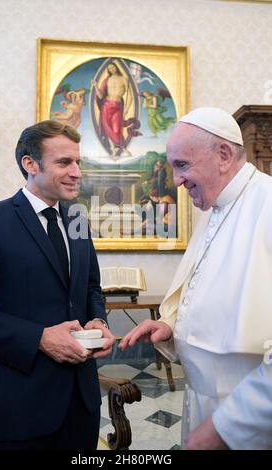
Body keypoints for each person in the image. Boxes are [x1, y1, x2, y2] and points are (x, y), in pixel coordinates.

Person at [120, 107, 272, 450]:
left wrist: (224, 427)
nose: (174, 181)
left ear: (222, 155)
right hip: (202, 402)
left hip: (249, 418)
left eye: (182, 165)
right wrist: (171, 326)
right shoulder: (214, 207)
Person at [0, 120, 115, 450]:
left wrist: (99, 321)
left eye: (78, 162)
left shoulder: (78, 218)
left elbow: (91, 286)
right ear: (30, 164)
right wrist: (38, 338)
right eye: (64, 162)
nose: (77, 172)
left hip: (80, 406)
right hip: (16, 408)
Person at [92, 61, 140, 158]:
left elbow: (130, 96)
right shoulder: (107, 80)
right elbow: (101, 96)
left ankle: (122, 148)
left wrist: (126, 110)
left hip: (117, 106)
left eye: (113, 67)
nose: (111, 69)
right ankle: (113, 150)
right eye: (109, 69)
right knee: (107, 128)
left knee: (117, 129)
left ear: (116, 67)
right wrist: (96, 86)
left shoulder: (124, 79)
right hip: (106, 105)